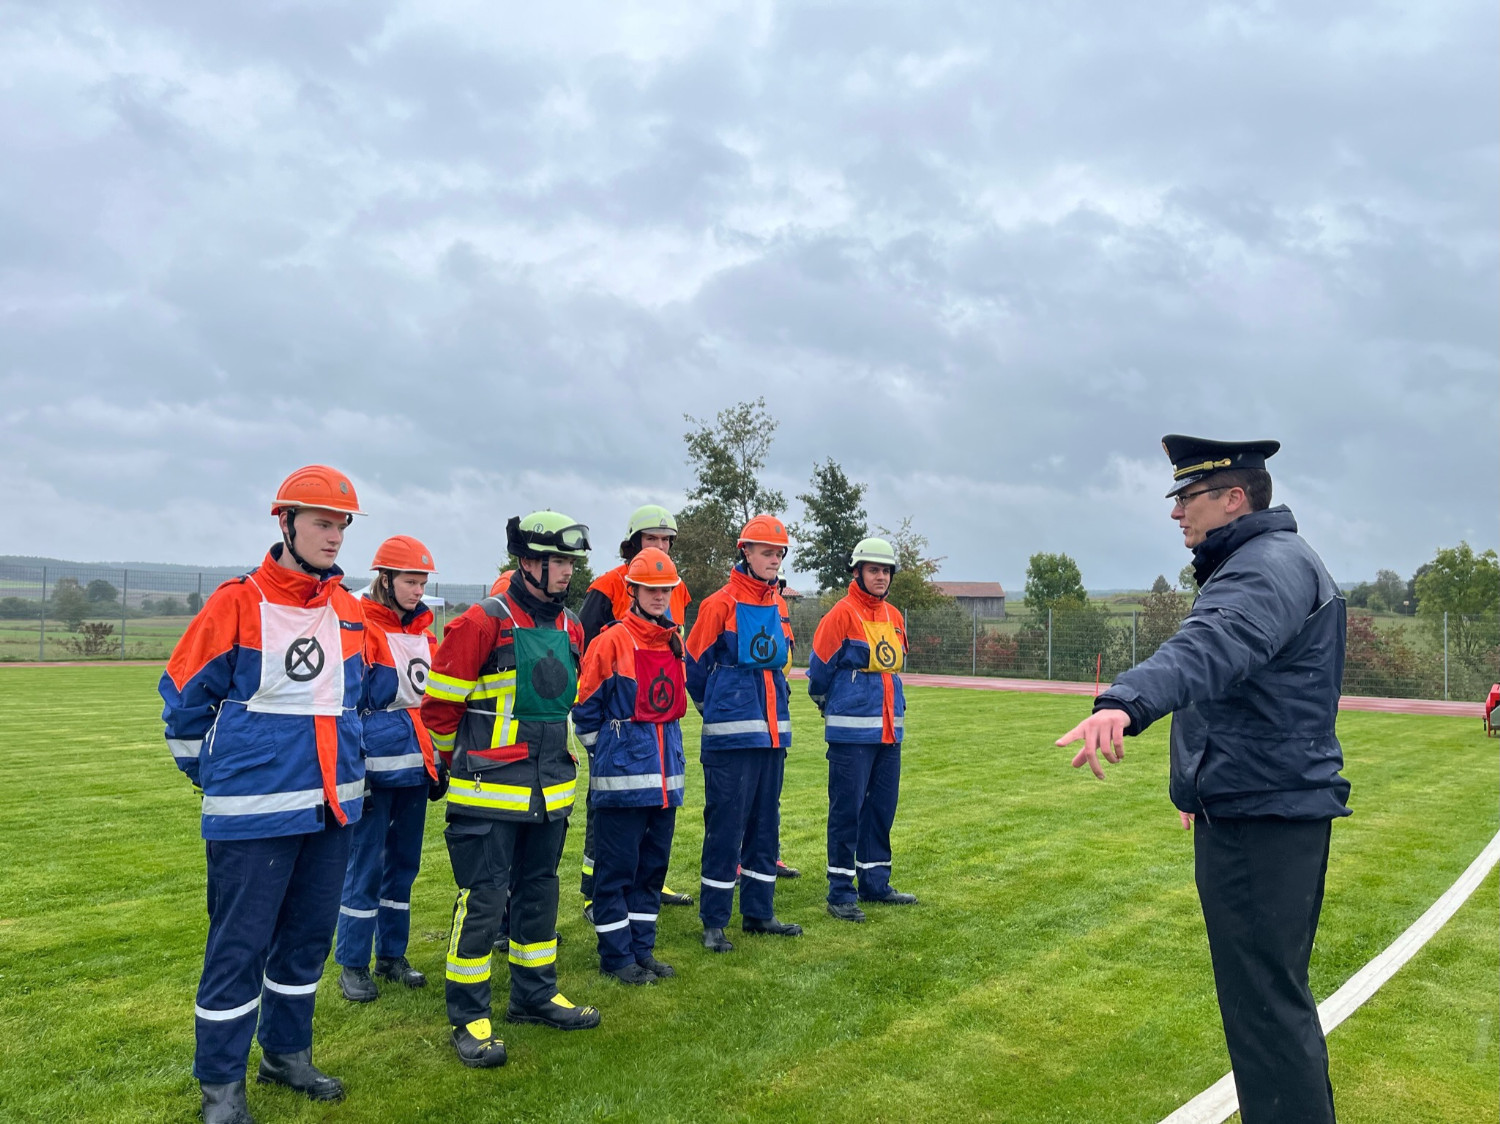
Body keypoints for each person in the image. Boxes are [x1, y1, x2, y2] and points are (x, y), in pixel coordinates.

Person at [1055, 435, 1348, 1124]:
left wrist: (1126, 701)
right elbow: (1240, 692)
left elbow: (1212, 648)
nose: (1176, 513)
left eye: (1187, 497)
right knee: (1270, 1008)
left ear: (1234, 498)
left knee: (1265, 1017)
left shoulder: (1262, 569)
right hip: (1255, 803)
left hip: (1262, 817)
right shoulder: (1267, 562)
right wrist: (1197, 783)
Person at [160, 465, 368, 1124]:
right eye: (321, 523)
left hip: (331, 810)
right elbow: (183, 707)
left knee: (307, 943)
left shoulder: (348, 609)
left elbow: (360, 700)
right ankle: (220, 1085)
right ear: (286, 523)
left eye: (341, 525)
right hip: (252, 818)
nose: (334, 536)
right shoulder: (236, 602)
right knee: (238, 950)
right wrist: (217, 775)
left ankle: (286, 1054)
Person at [420, 511, 601, 1070]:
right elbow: (440, 709)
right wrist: (452, 765)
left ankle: (535, 994)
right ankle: (469, 1016)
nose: (567, 572)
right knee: (483, 903)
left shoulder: (571, 625)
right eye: (559, 561)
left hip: (550, 794)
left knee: (539, 897)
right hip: (488, 796)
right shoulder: (480, 622)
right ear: (529, 561)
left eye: (571, 562)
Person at [685, 514, 801, 953]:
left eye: (779, 553)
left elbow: (783, 661)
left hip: (772, 736)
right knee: (725, 826)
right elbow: (694, 668)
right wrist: (718, 705)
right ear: (745, 552)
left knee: (765, 826)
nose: (773, 559)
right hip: (732, 740)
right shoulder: (719, 604)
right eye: (766, 552)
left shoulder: (779, 604)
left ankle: (759, 912)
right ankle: (714, 920)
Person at [334, 536, 443, 1002]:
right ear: (385, 579)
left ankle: (392, 955)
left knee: (403, 866)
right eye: (409, 581)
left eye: (421, 582)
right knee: (365, 868)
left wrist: (438, 762)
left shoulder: (425, 631)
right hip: (372, 772)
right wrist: (353, 775)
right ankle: (353, 963)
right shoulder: (360, 627)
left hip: (416, 767)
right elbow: (346, 704)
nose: (417, 590)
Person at [572, 547, 688, 984]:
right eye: (651, 590)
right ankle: (616, 957)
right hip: (622, 784)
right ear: (633, 591)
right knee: (615, 873)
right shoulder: (610, 642)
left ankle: (643, 950)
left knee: (651, 872)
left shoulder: (674, 641)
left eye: (666, 590)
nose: (659, 597)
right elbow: (584, 713)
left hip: (664, 782)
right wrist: (612, 754)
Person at [807, 537, 917, 922]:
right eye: (874, 569)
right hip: (851, 733)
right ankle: (840, 891)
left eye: (886, 570)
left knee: (881, 809)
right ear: (857, 572)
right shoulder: (840, 614)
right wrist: (833, 706)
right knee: (847, 811)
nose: (881, 576)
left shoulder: (894, 616)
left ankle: (875, 883)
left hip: (889, 731)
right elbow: (818, 672)